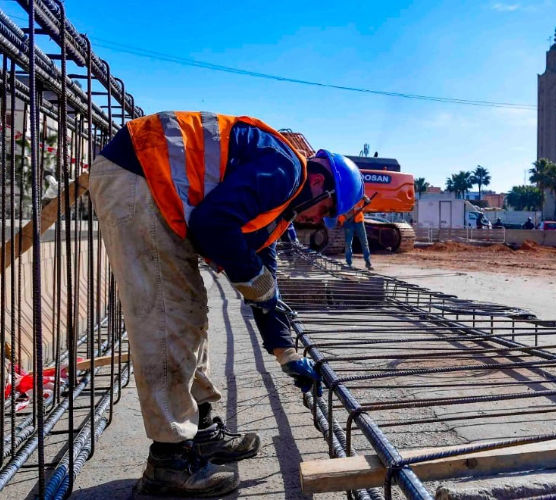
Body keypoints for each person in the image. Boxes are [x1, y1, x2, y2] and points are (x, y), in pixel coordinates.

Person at [89, 111, 363, 497]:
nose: (320, 219)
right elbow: (213, 225)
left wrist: (286, 355)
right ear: (320, 183)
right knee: (169, 316)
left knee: (192, 313)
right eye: (327, 210)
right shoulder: (286, 171)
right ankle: (169, 462)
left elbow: (264, 280)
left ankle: (199, 431)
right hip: (140, 175)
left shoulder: (278, 206)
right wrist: (254, 280)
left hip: (151, 181)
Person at [339, 196, 373, 270]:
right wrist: (344, 219)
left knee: (364, 242)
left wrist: (366, 199)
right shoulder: (343, 193)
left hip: (358, 221)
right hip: (348, 221)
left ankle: (368, 262)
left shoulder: (357, 191)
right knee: (348, 243)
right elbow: (339, 207)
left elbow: (366, 199)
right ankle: (348, 263)